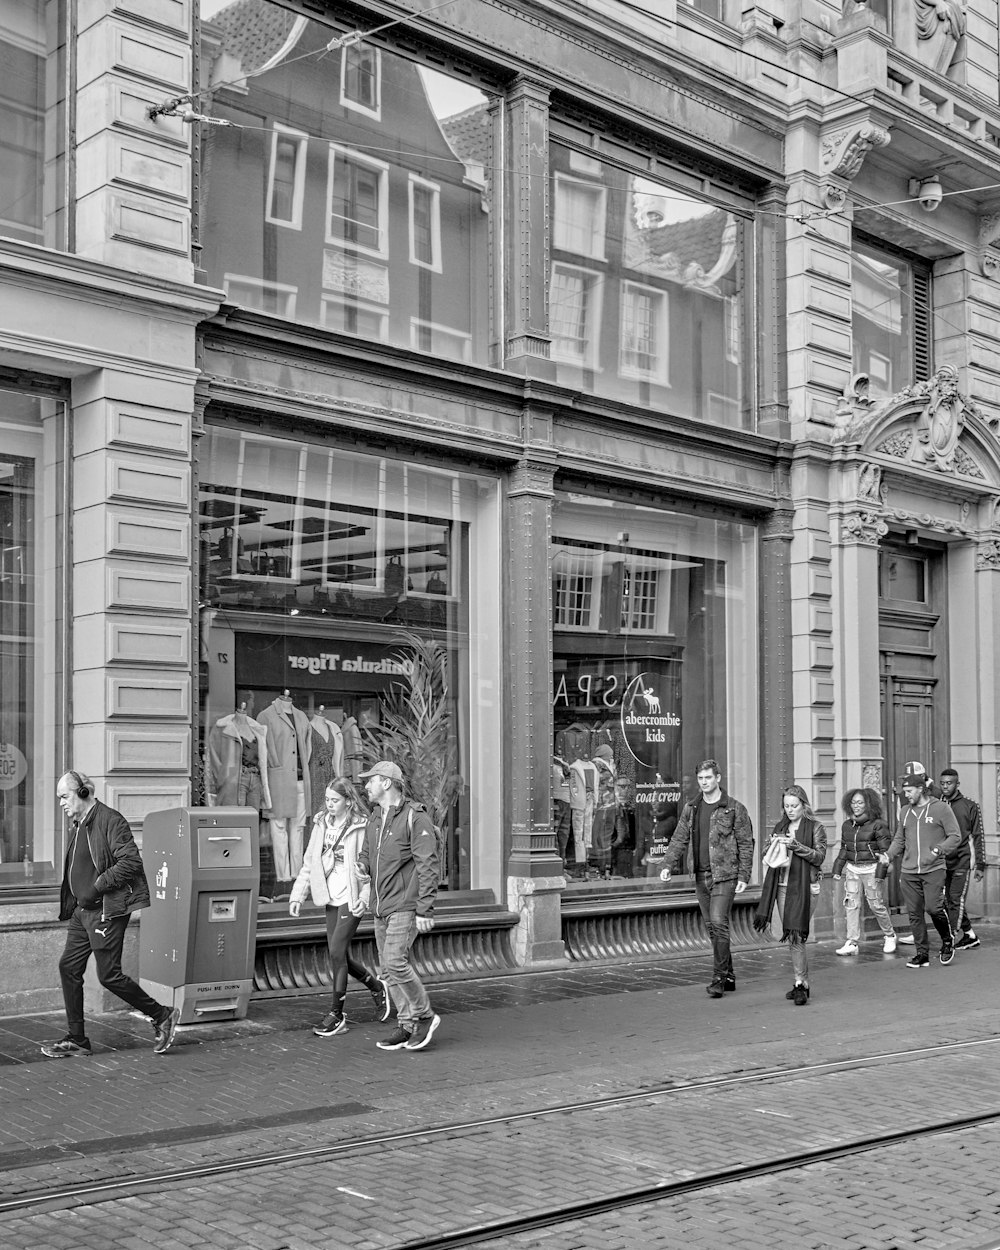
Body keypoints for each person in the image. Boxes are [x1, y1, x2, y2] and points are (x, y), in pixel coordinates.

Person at [41, 771, 180, 1059]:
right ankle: (77, 1039)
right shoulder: (80, 824)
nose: (61, 804)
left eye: (64, 797)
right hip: (83, 912)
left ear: (82, 792)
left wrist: (97, 887)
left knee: (109, 976)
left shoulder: (110, 820)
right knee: (69, 967)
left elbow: (131, 862)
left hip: (106, 911)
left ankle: (163, 1014)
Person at [289, 777, 390, 1037]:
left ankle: (337, 1014)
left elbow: (368, 868)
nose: (330, 804)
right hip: (329, 896)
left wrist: (364, 898)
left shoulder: (361, 826)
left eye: (335, 800)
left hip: (351, 897)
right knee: (339, 955)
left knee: (336, 951)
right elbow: (310, 863)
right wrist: (297, 896)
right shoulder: (321, 824)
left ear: (348, 801)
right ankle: (376, 986)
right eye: (327, 800)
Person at [356, 760, 441, 1051]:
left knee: (394, 962)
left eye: (371, 780)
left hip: (404, 905)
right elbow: (367, 853)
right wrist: (362, 866)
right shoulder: (376, 817)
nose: (366, 785)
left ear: (387, 783)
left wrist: (425, 908)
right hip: (380, 906)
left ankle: (424, 1016)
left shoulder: (415, 818)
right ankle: (406, 1026)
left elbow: (428, 864)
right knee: (388, 970)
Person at [659, 759, 754, 998]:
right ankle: (730, 975)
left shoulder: (734, 808)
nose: (704, 782)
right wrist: (668, 864)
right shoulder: (692, 807)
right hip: (700, 875)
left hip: (725, 874)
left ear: (718, 778)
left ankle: (718, 978)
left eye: (708, 778)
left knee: (719, 921)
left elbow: (745, 843)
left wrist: (744, 874)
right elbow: (679, 837)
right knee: (712, 927)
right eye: (700, 778)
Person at [753, 785, 827, 1004]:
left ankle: (800, 983)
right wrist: (771, 846)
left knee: (797, 934)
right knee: (793, 935)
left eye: (794, 806)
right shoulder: (780, 826)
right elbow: (767, 854)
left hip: (806, 887)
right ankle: (801, 982)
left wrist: (795, 845)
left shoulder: (815, 827)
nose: (790, 810)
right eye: (786, 806)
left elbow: (819, 856)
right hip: (782, 887)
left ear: (803, 805)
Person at [886, 764, 961, 969]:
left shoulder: (940, 808)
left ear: (921, 789)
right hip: (909, 871)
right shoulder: (904, 811)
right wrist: (888, 855)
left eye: (909, 791)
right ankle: (922, 953)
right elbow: (899, 840)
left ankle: (947, 942)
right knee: (914, 913)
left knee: (933, 908)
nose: (906, 795)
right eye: (904, 791)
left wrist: (938, 850)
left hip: (934, 869)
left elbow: (955, 836)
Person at [832, 787, 896, 955]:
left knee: (876, 904)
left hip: (871, 869)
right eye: (853, 803)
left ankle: (889, 935)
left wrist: (880, 875)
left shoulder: (879, 825)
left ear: (869, 804)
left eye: (860, 802)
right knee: (851, 905)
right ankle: (852, 942)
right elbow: (844, 848)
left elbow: (885, 852)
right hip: (852, 869)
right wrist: (837, 868)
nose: (856, 806)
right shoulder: (847, 825)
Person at [939, 768, 986, 950]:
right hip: (942, 861)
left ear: (957, 784)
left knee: (955, 899)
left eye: (949, 783)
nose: (945, 786)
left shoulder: (969, 806)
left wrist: (980, 865)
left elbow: (978, 836)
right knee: (946, 900)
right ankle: (970, 935)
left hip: (962, 861)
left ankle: (949, 939)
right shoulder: (937, 805)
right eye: (942, 783)